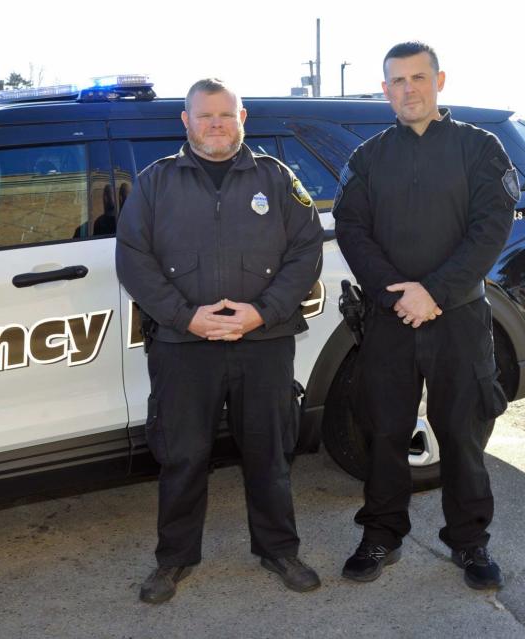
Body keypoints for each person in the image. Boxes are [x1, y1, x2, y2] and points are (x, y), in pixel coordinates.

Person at [116, 78, 324, 604]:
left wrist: (263, 312)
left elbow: (306, 251)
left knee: (270, 452)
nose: (215, 125)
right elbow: (133, 260)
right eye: (204, 116)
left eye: (225, 115)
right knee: (182, 455)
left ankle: (279, 550)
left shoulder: (276, 180)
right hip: (184, 347)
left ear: (242, 117)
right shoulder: (155, 182)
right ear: (185, 121)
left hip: (264, 341)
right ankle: (174, 560)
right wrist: (187, 318)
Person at [332, 41, 518, 590]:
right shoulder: (368, 158)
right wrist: (397, 297)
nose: (408, 88)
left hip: (458, 317)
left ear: (440, 80)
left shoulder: (479, 149)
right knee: (383, 428)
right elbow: (352, 230)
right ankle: (381, 534)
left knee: (461, 431)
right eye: (397, 80)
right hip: (390, 320)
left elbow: (490, 229)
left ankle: (470, 542)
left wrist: (432, 292)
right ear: (385, 89)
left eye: (418, 77)